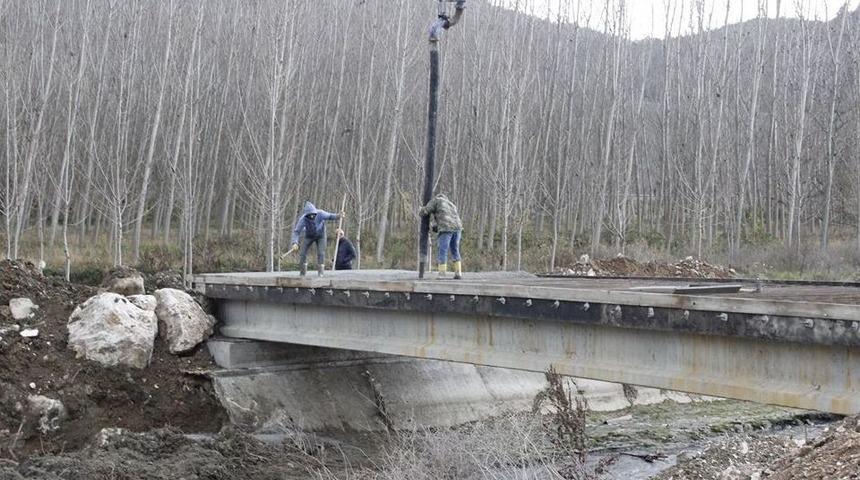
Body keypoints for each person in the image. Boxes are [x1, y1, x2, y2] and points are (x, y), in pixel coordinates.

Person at [288, 201, 344, 276]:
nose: (311, 216)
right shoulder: (303, 219)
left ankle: (320, 273)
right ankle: (302, 273)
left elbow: (330, 216)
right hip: (309, 236)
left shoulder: (321, 213)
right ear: (306, 215)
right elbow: (297, 232)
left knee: (321, 253)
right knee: (302, 253)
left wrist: (338, 216)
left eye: (313, 215)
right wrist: (295, 242)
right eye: (309, 215)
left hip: (321, 235)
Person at [419, 193, 463, 279]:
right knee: (455, 249)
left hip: (446, 228)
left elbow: (425, 211)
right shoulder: (451, 204)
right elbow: (447, 217)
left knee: (442, 250)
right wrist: (436, 227)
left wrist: (420, 210)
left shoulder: (436, 200)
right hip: (458, 227)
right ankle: (458, 273)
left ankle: (442, 273)